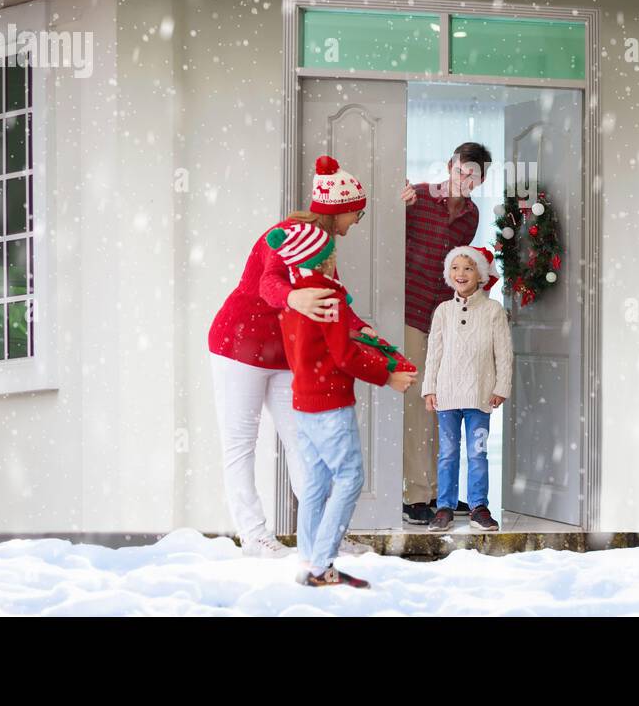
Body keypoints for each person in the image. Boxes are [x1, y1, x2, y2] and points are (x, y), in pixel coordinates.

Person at [206, 155, 377, 558]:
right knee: (240, 444)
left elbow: (333, 295)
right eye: (358, 213)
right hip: (237, 346)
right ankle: (254, 536)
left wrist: (361, 329)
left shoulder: (324, 245)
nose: (357, 221)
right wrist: (293, 297)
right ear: (340, 211)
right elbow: (268, 282)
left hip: (282, 355)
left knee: (306, 445)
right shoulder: (286, 234)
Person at [273, 222, 417, 587]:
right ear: (324, 260)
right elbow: (344, 356)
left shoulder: (296, 298)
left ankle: (308, 557)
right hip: (330, 406)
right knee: (350, 478)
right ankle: (322, 566)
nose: (336, 253)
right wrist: (388, 374)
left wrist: (358, 333)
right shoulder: (329, 296)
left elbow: (320, 344)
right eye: (330, 251)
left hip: (303, 404)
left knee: (316, 481)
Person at [399, 141, 492, 524]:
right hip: (409, 312)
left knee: (445, 402)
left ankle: (442, 494)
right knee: (417, 407)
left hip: (444, 318)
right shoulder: (418, 197)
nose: (465, 179)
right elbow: (389, 239)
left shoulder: (471, 215)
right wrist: (396, 205)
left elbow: (456, 268)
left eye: (474, 175)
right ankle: (414, 494)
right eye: (461, 171)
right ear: (448, 167)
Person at [422, 245, 511, 532]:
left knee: (477, 452)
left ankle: (478, 507)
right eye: (456, 268)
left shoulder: (493, 311)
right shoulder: (444, 311)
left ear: (481, 275)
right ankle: (444, 507)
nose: (461, 273)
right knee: (447, 452)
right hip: (446, 395)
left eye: (468, 268)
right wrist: (429, 388)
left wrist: (501, 386)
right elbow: (434, 352)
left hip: (480, 394)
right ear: (449, 274)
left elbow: (504, 353)